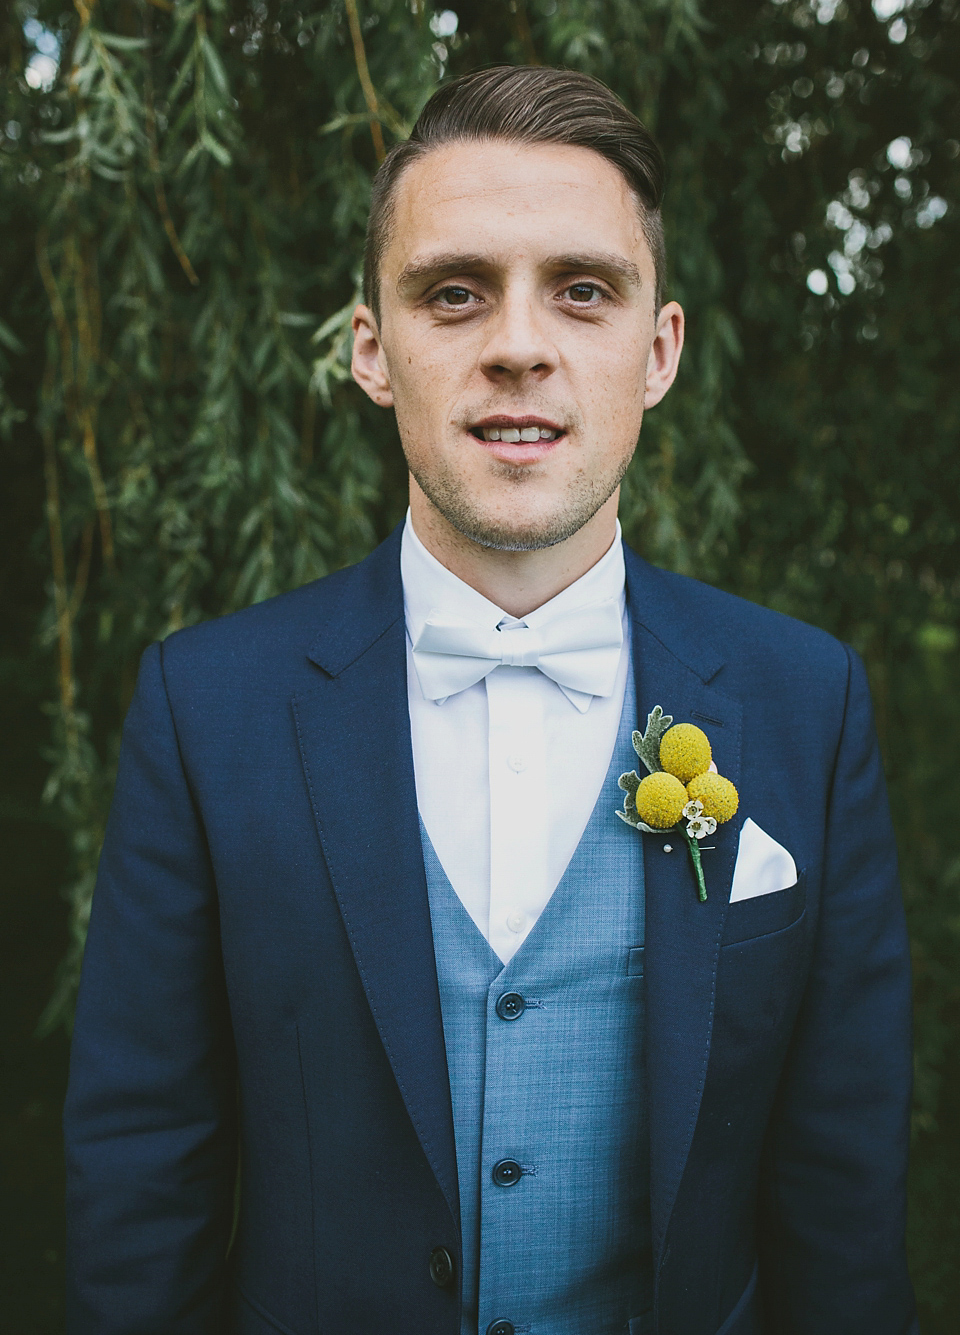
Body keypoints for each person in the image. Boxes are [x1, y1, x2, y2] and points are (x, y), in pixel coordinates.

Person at [64, 66, 917, 1335]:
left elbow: (843, 1195)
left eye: (583, 291)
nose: (519, 344)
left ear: (660, 350)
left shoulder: (807, 701)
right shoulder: (208, 707)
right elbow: (143, 1179)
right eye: (454, 293)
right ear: (372, 351)